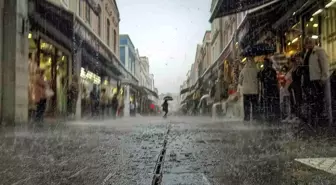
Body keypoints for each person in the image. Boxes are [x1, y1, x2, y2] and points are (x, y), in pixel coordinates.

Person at [302, 37, 329, 126]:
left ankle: (319, 119)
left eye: (310, 42)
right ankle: (313, 119)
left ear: (314, 42)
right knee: (311, 100)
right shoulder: (307, 53)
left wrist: (323, 78)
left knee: (318, 100)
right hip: (308, 80)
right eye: (306, 42)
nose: (308, 44)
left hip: (316, 79)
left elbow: (324, 64)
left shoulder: (318, 51)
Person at [259, 58, 280, 122]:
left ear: (267, 64)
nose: (264, 64)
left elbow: (274, 80)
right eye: (264, 63)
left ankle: (272, 115)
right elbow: (262, 80)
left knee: (271, 102)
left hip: (271, 89)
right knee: (267, 103)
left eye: (265, 63)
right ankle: (268, 115)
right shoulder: (263, 71)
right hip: (266, 89)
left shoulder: (271, 71)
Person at [288, 53, 304, 123]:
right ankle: (295, 115)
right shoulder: (294, 68)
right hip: (294, 87)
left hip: (298, 87)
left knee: (298, 102)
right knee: (294, 102)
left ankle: (298, 116)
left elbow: (299, 79)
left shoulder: (299, 68)